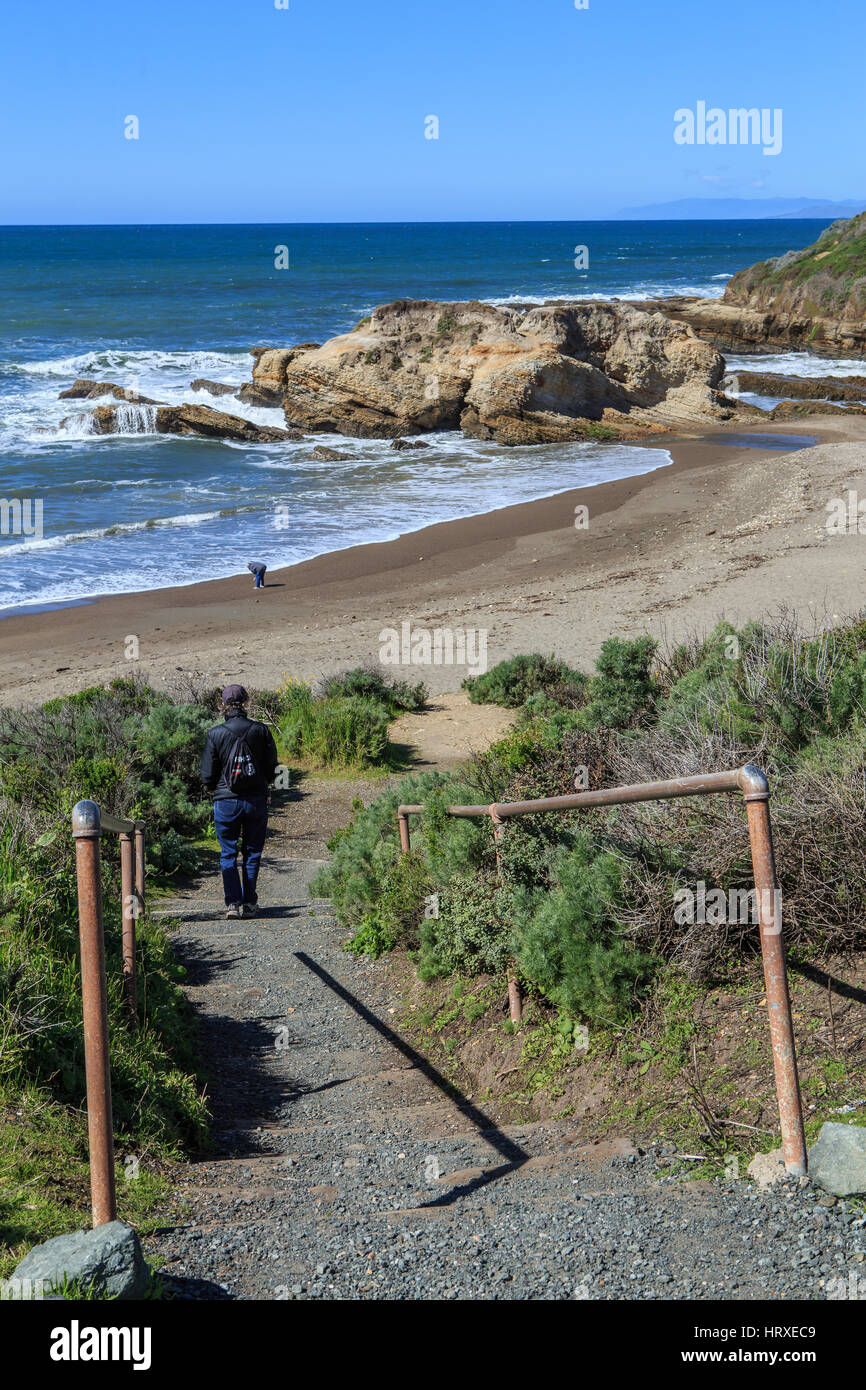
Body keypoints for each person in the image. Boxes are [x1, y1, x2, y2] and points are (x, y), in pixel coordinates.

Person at [200, 684, 279, 919]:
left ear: (223, 705)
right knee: (252, 852)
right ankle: (250, 903)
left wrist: (216, 790)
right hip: (256, 800)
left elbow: (207, 775)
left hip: (225, 802)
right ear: (246, 703)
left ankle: (232, 904)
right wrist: (264, 785)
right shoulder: (261, 730)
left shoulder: (215, 734)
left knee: (227, 853)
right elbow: (272, 767)